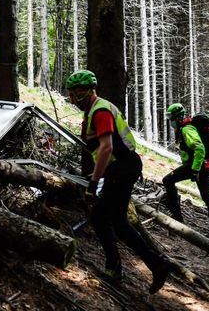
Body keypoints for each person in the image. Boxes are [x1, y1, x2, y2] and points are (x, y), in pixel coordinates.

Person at [66, 70, 171, 294]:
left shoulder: (100, 110)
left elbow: (107, 147)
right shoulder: (96, 109)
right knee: (118, 222)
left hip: (122, 168)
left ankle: (117, 268)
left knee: (101, 217)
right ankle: (154, 263)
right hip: (121, 168)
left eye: (75, 94)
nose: (73, 99)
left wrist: (94, 184)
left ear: (85, 92)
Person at [163, 103, 209, 242]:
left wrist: (194, 170)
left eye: (172, 119)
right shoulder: (186, 127)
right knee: (207, 198)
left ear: (178, 117)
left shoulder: (187, 129)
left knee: (167, 180)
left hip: (197, 166)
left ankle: (177, 217)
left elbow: (199, 148)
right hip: (205, 166)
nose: (170, 122)